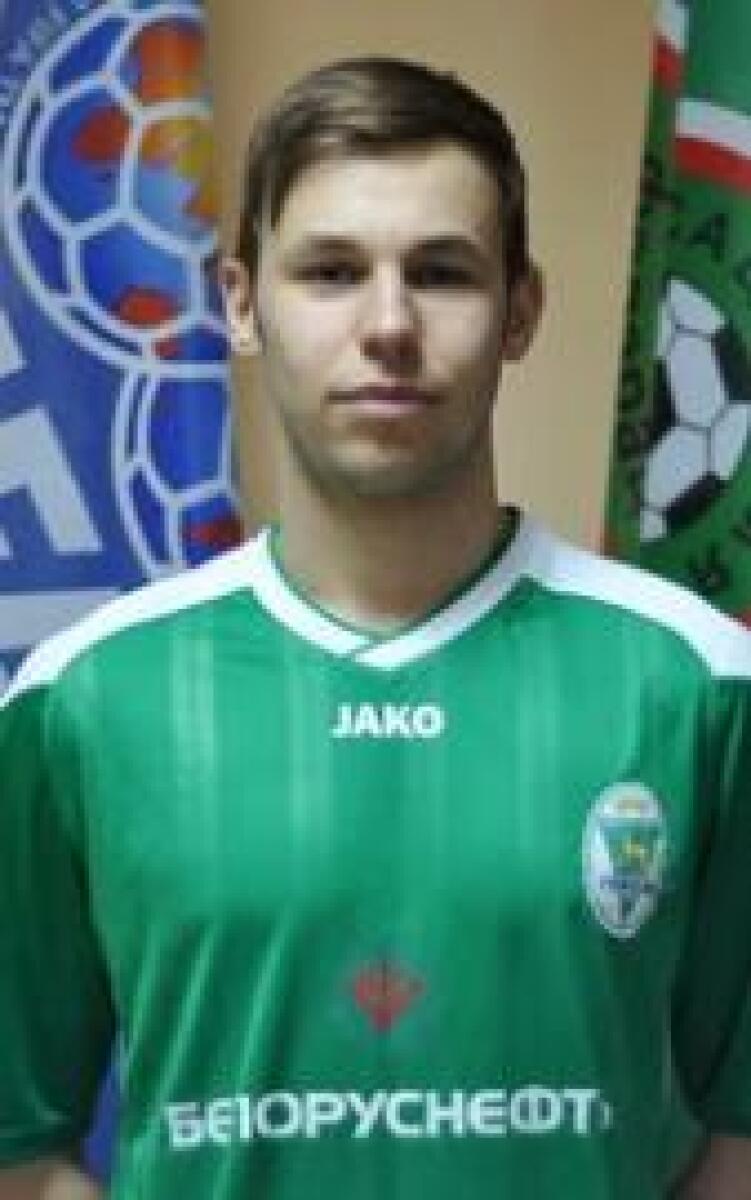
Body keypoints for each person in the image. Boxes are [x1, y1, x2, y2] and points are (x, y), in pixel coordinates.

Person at [1, 55, 750, 1200]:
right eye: (332, 271)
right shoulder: (84, 700)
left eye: (441, 273)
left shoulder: (696, 682)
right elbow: (15, 1139)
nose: (388, 324)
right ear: (241, 303)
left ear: (520, 310)